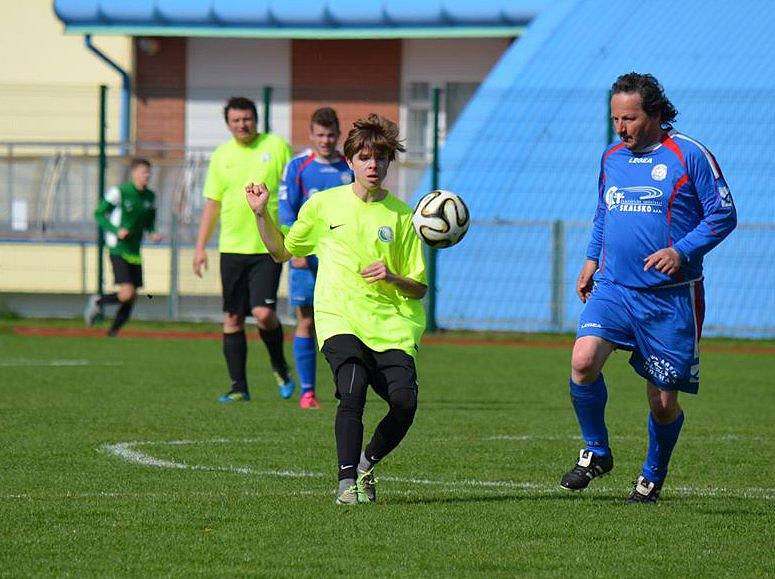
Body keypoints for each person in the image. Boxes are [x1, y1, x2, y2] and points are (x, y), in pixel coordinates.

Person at [560, 72, 737, 503]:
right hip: (615, 288)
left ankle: (651, 477)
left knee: (661, 402)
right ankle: (597, 451)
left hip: (670, 299)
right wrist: (590, 259)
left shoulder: (690, 154)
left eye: (630, 119)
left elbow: (723, 215)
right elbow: (605, 210)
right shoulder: (612, 157)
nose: (621, 128)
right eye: (616, 119)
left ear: (655, 114)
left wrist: (681, 251)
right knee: (582, 362)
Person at [245, 114, 427, 505]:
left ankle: (366, 464)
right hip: (339, 317)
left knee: (404, 403)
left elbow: (419, 287)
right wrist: (261, 214)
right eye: (364, 158)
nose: (373, 165)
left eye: (380, 158)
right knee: (352, 390)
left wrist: (393, 277)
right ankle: (347, 483)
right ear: (350, 161)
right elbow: (280, 251)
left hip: (392, 323)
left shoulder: (402, 215)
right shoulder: (322, 205)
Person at [193, 96, 295, 403]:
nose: (242, 124)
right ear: (228, 123)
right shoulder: (221, 155)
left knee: (263, 314)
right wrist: (200, 246)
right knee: (233, 318)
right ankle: (239, 387)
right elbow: (212, 203)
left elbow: (293, 192)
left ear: (256, 118)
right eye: (236, 120)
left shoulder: (276, 146)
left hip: (268, 246)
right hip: (232, 248)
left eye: (247, 118)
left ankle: (280, 366)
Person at [279, 107, 354, 410]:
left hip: (343, 260)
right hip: (306, 260)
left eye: (331, 135)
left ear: (338, 134)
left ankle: (347, 387)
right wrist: (296, 249)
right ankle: (308, 392)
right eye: (320, 135)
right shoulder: (298, 166)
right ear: (311, 135)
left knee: (347, 324)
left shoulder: (349, 168)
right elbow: (286, 211)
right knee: (306, 322)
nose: (326, 140)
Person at [85, 158, 161, 336]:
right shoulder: (120, 192)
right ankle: (98, 301)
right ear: (134, 173)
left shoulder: (150, 196)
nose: (147, 176)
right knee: (127, 293)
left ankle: (113, 332)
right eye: (143, 172)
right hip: (118, 248)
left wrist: (152, 233)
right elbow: (99, 213)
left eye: (149, 172)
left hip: (135, 250)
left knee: (132, 295)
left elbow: (149, 222)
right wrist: (115, 230)